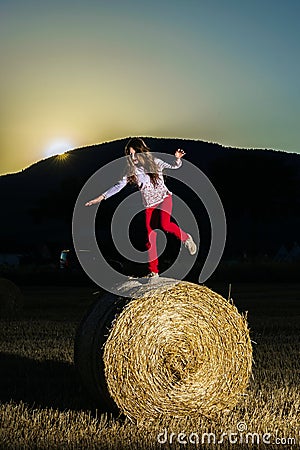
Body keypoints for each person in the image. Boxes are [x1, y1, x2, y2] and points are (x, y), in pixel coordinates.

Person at [85, 137, 197, 277]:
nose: (132, 157)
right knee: (150, 239)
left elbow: (174, 166)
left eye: (135, 153)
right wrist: (100, 198)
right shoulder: (131, 171)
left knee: (165, 224)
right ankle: (154, 272)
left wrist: (177, 159)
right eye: (130, 154)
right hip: (149, 205)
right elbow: (118, 186)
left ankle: (186, 238)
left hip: (164, 199)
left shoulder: (155, 163)